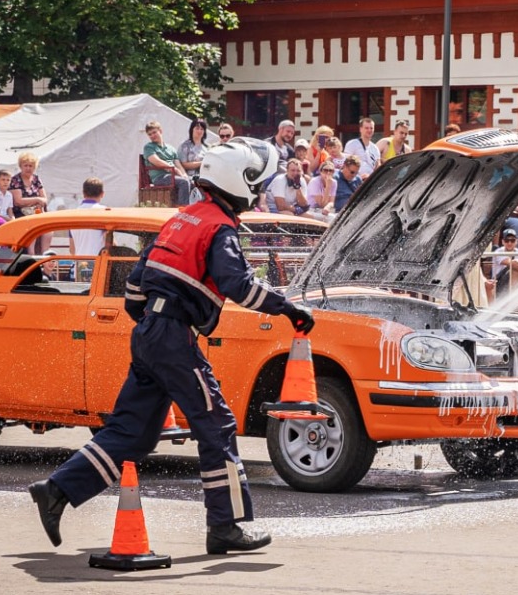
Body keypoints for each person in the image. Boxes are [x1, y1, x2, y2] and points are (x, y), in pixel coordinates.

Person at [29, 136, 315, 555]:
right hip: (172, 336)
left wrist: (153, 328)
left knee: (132, 432)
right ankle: (226, 526)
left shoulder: (182, 219)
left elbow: (132, 289)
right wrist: (288, 308)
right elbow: (237, 284)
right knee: (216, 425)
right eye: (254, 179)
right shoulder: (220, 228)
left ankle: (57, 490)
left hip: (149, 334)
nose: (256, 189)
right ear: (237, 180)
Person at [142, 121, 191, 206]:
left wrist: (184, 174)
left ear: (160, 131)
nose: (152, 136)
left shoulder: (171, 148)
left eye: (154, 132)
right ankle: (183, 209)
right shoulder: (148, 147)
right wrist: (174, 170)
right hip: (160, 177)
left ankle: (195, 210)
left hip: (173, 176)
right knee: (183, 182)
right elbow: (157, 162)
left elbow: (178, 164)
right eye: (150, 134)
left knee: (194, 182)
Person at [68, 178, 106, 257]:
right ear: (102, 194)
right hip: (98, 265)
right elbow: (109, 241)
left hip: (79, 265)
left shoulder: (72, 215)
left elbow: (72, 249)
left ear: (83, 193)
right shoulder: (105, 212)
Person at [491, 228, 518, 299]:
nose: (509, 243)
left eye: (512, 240)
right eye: (507, 240)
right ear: (502, 242)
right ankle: (513, 301)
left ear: (516, 241)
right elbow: (511, 263)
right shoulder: (498, 252)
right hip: (497, 282)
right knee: (515, 271)